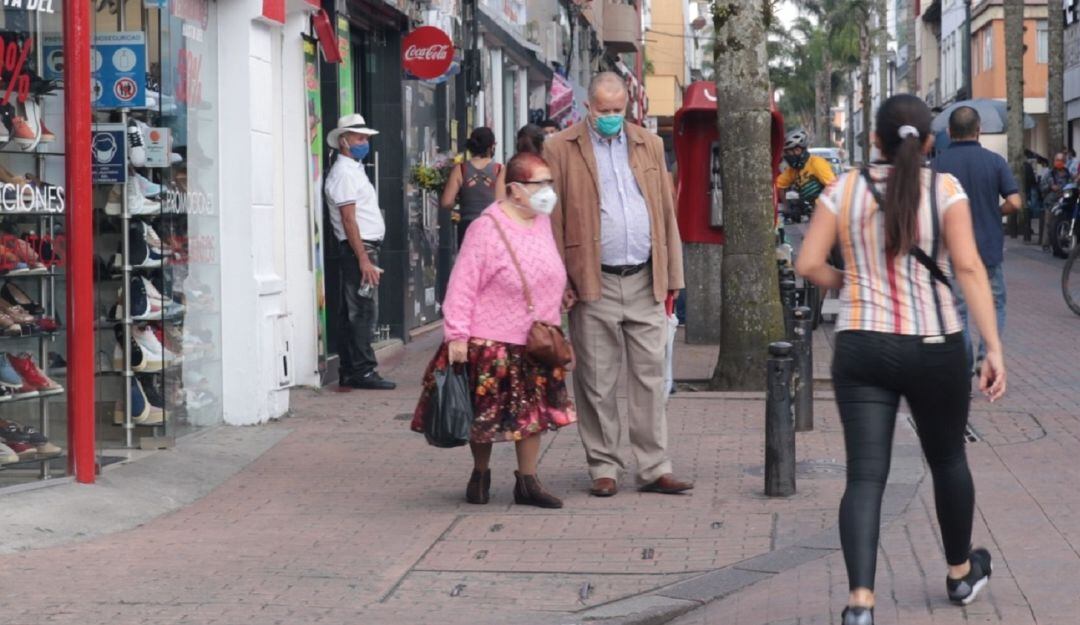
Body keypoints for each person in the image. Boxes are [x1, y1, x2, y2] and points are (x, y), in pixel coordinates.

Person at [796, 94, 1007, 625]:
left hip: (861, 345)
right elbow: (970, 269)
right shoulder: (946, 191)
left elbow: (807, 263)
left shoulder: (843, 190)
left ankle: (860, 604)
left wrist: (850, 282)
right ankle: (960, 574)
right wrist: (992, 349)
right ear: (929, 141)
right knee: (948, 461)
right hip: (935, 346)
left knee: (865, 477)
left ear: (874, 141)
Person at [543, 72, 692, 498]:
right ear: (588, 107)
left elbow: (665, 212)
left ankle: (653, 467)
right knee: (596, 380)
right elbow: (552, 220)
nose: (611, 117)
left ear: (628, 105)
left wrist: (673, 276)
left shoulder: (649, 142)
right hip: (594, 280)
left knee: (650, 377)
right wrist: (561, 279)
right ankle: (603, 465)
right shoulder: (560, 148)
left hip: (646, 278)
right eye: (603, 110)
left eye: (618, 110)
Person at [411, 151, 576, 508]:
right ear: (516, 190)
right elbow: (463, 283)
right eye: (540, 183)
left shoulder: (542, 221)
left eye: (550, 182)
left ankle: (527, 482)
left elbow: (546, 266)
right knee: (485, 416)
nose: (548, 190)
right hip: (491, 339)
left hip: (535, 339)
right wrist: (456, 335)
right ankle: (480, 474)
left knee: (531, 416)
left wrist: (559, 293)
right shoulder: (486, 227)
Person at [933, 106, 1021, 376]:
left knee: (956, 310)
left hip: (950, 251)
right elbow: (1015, 202)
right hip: (988, 248)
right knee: (995, 305)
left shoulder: (937, 165)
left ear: (949, 132)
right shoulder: (995, 161)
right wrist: (995, 212)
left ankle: (964, 363)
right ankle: (986, 356)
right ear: (978, 130)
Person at [324, 114, 395, 390]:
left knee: (356, 310)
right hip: (359, 249)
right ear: (344, 141)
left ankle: (353, 369)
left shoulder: (353, 170)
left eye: (365, 138)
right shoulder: (343, 173)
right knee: (362, 311)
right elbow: (348, 219)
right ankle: (362, 371)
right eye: (359, 138)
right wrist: (363, 259)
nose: (364, 143)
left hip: (362, 247)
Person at [440, 127, 506, 249]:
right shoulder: (500, 170)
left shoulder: (460, 169)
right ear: (492, 146)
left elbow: (446, 202)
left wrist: (461, 203)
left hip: (468, 226)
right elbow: (503, 202)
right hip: (493, 226)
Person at [776, 128, 837, 220]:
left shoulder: (817, 164)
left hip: (828, 213)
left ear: (799, 150)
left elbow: (834, 189)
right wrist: (787, 208)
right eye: (787, 152)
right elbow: (779, 185)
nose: (789, 156)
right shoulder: (793, 171)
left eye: (790, 152)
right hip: (814, 215)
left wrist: (818, 205)